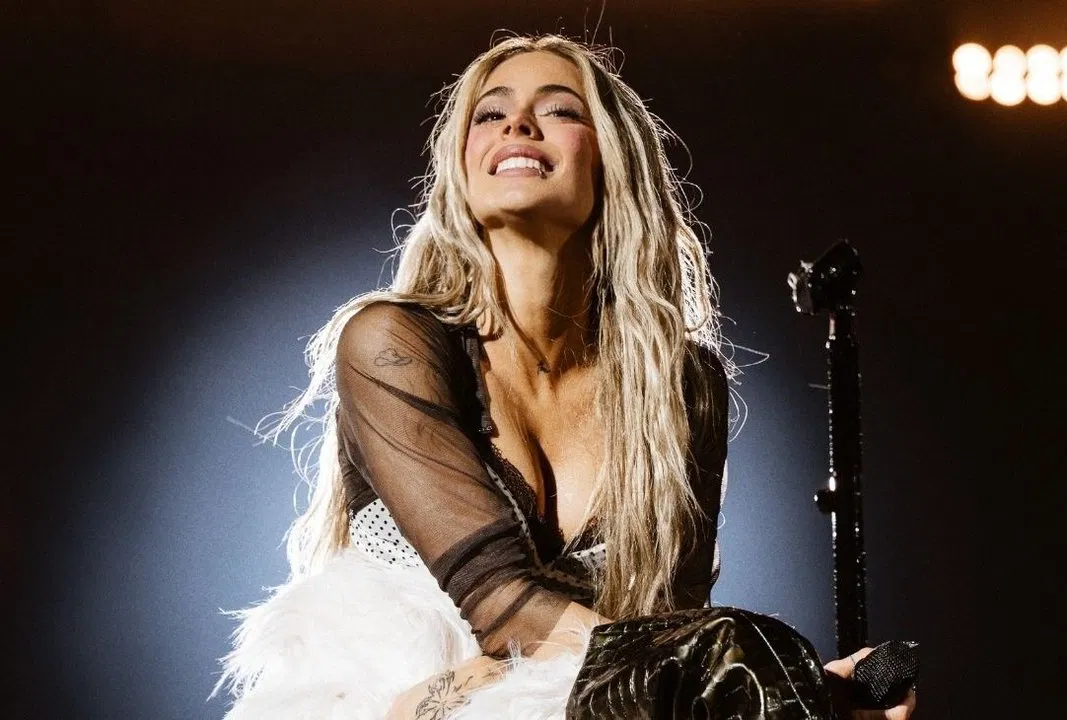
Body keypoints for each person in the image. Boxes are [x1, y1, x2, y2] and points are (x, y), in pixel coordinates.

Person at [214, 33, 916, 720]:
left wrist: (790, 686)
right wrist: (763, 675)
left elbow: (670, 622)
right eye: (490, 113)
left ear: (612, 161)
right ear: (461, 166)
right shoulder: (393, 344)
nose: (517, 123)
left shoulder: (681, 385)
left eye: (558, 109)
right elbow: (501, 605)